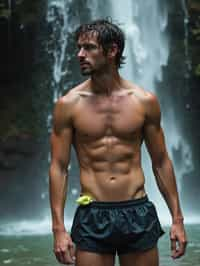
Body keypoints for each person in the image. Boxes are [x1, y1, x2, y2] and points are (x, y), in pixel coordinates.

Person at [49, 19, 187, 266]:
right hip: (93, 214)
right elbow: (59, 167)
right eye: (79, 48)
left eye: (89, 47)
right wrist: (58, 229)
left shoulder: (144, 101)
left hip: (138, 212)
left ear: (112, 51)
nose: (80, 54)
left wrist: (177, 219)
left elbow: (161, 161)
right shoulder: (68, 105)